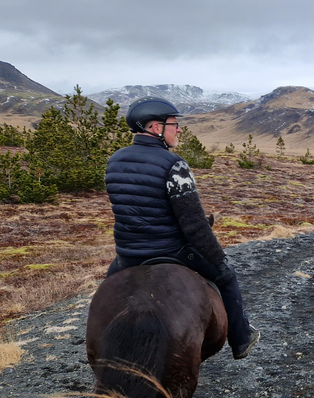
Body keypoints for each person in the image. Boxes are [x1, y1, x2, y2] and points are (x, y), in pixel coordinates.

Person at [104, 96, 259, 359]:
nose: (179, 130)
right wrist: (218, 257)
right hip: (172, 251)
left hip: (128, 254)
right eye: (174, 124)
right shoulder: (173, 164)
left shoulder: (114, 161)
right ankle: (241, 338)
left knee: (107, 295)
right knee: (227, 276)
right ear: (156, 128)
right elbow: (194, 224)